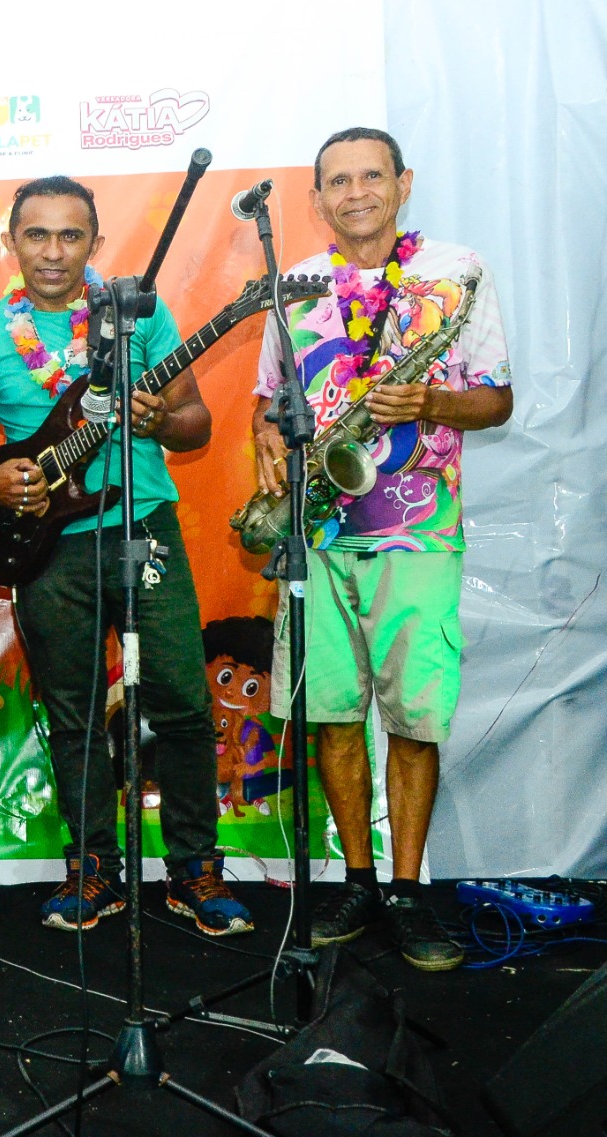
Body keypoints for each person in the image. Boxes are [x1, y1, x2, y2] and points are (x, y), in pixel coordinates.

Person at [251, 127, 512, 971]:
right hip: (318, 532)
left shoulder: (458, 272)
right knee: (331, 712)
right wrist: (266, 437)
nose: (356, 192)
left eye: (372, 176)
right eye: (338, 181)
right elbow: (269, 400)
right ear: (317, 197)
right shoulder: (295, 285)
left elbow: (498, 400)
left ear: (404, 183)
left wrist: (430, 400)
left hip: (420, 532)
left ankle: (406, 888)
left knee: (413, 718)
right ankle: (358, 880)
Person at [0, 176, 253, 936]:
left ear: (95, 242)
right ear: (12, 241)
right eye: (36, 234)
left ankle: (194, 868)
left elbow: (195, 423)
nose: (53, 251)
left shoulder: (138, 317)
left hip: (143, 526)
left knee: (183, 702)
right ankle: (93, 867)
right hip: (46, 547)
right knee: (74, 712)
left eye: (71, 235)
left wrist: (159, 419)